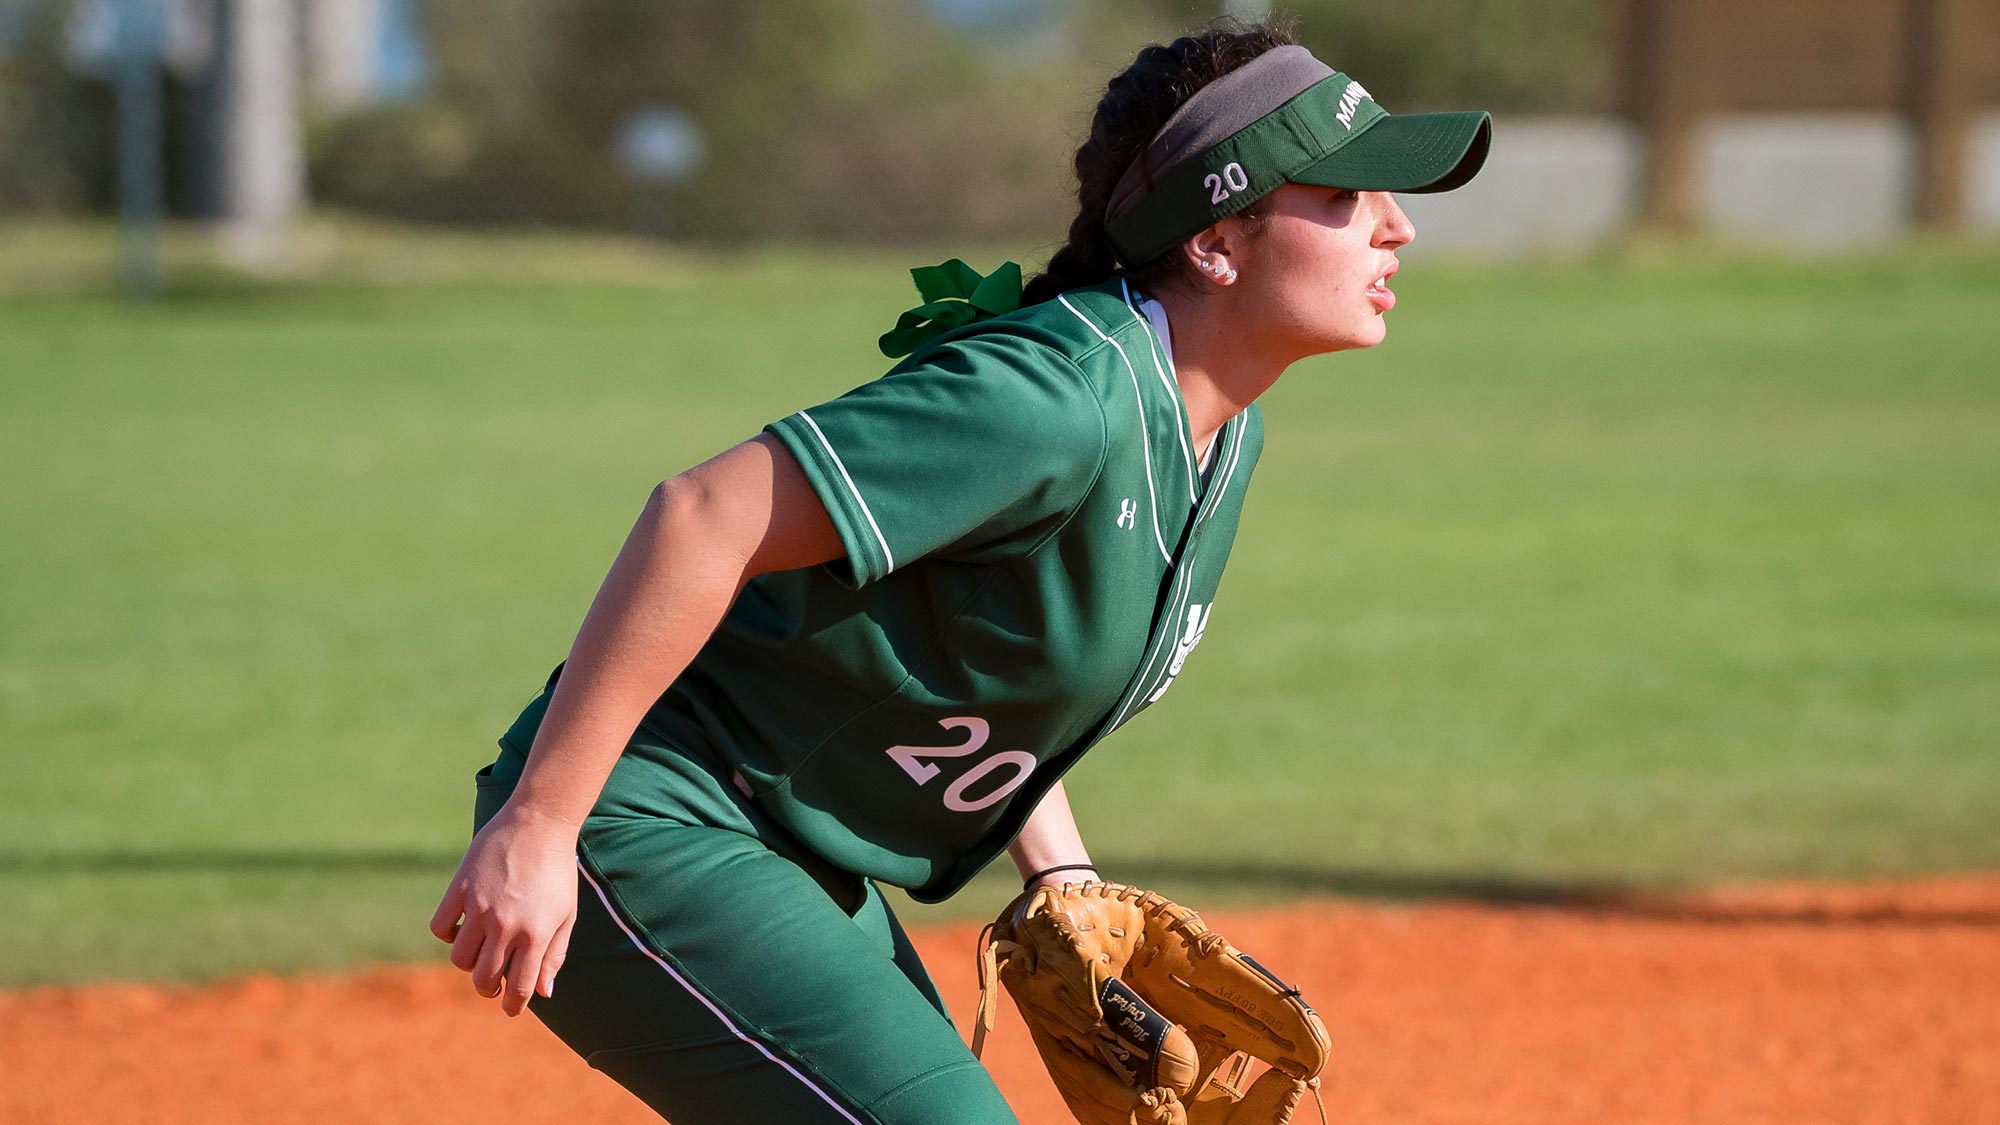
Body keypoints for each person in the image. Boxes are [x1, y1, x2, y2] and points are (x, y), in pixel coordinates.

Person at [429, 17, 1489, 1125]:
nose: (1396, 228)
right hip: (642, 826)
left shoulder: (1216, 434)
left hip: (788, 857)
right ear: (1216, 242)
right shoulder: (1052, 398)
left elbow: (997, 653)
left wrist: (1060, 875)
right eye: (1343, 198)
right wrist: (541, 827)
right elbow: (699, 515)